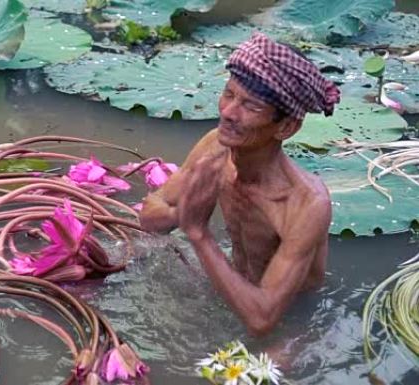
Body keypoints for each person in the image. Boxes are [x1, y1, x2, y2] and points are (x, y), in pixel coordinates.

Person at [139, 32, 341, 336]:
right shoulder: (216, 148)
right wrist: (179, 214)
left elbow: (262, 320)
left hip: (295, 320)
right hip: (231, 284)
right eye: (229, 94)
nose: (227, 112)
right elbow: (149, 216)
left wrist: (198, 233)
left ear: (286, 127)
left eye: (250, 106)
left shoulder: (306, 204)